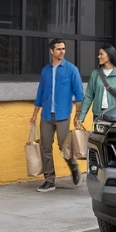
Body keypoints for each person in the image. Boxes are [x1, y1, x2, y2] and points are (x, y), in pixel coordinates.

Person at [30, 38, 84, 192]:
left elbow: (79, 95)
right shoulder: (46, 71)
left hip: (62, 115)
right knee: (45, 148)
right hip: (46, 115)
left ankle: (73, 167)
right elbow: (40, 93)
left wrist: (78, 116)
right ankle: (49, 180)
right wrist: (35, 114)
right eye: (59, 49)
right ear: (51, 51)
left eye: (63, 49)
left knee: (64, 147)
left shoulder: (71, 70)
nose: (62, 52)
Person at [76, 44, 116, 127]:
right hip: (98, 114)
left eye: (101, 54)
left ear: (109, 55)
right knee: (98, 138)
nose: (98, 56)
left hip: (115, 114)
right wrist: (81, 117)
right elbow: (88, 96)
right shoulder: (95, 74)